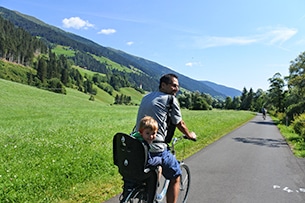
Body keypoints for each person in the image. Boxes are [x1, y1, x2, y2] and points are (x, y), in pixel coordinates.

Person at [136, 73, 197, 203]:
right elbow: (179, 123)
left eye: (178, 86)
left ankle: (149, 189)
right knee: (176, 175)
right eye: (173, 85)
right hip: (155, 146)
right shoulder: (170, 99)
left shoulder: (146, 97)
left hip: (139, 144)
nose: (176, 89)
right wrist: (189, 135)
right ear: (163, 85)